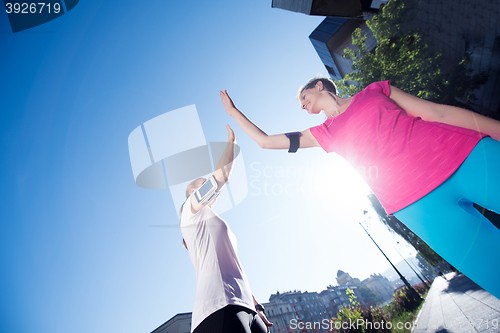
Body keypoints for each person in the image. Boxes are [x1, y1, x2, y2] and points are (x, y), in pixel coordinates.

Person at [220, 78, 500, 299]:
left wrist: (496, 129)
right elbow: (266, 142)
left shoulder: (375, 90)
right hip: (415, 204)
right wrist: (233, 112)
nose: (301, 104)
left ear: (319, 86)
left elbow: (437, 112)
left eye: (302, 97)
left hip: (463, 155)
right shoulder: (323, 133)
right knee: (492, 270)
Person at [180, 124, 272, 333]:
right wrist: (231, 145)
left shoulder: (215, 221)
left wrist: (256, 304)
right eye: (202, 184)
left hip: (245, 305)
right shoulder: (190, 212)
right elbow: (219, 179)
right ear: (192, 192)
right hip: (217, 306)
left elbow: (235, 267)